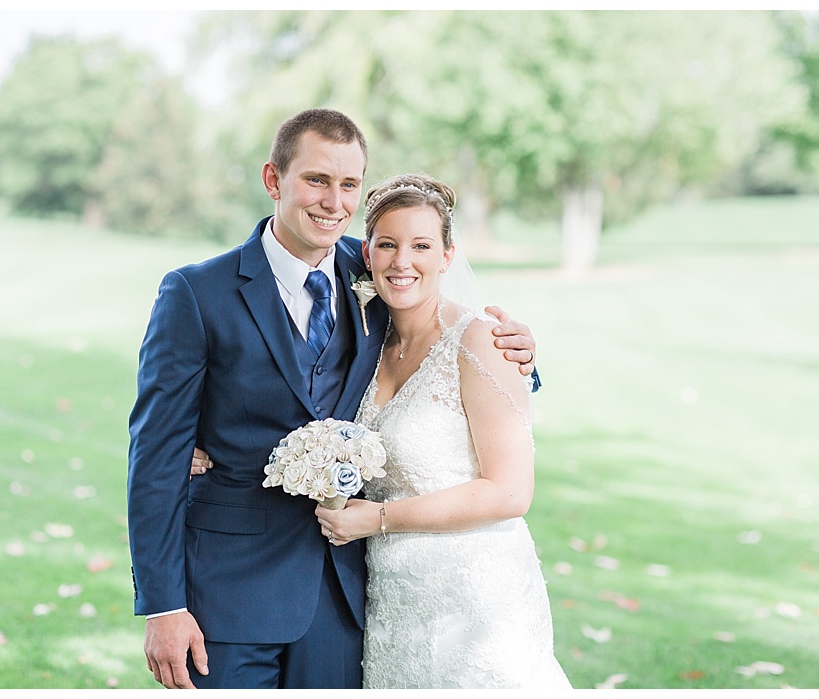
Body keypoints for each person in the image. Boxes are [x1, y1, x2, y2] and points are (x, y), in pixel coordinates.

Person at [126, 109, 539, 689]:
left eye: (349, 185)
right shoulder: (196, 293)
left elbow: (444, 344)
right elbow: (154, 456)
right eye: (316, 180)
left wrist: (520, 353)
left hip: (348, 595)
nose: (334, 201)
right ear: (275, 180)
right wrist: (163, 605)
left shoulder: (373, 266)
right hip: (229, 590)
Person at [313, 173, 569, 688]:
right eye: (387, 244)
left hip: (476, 602)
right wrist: (204, 443)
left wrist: (378, 518)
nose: (401, 261)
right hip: (394, 605)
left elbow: (511, 491)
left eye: (421, 246)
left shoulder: (482, 340)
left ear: (448, 256)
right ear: (367, 253)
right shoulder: (364, 344)